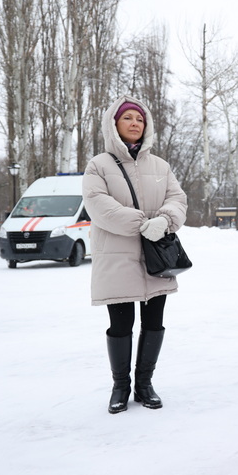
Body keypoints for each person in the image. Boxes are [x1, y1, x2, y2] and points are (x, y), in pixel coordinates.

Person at [82, 96, 187, 414]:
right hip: (116, 258)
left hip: (157, 257)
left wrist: (164, 221)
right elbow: (98, 205)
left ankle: (144, 384)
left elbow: (177, 199)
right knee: (120, 323)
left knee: (154, 321)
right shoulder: (98, 165)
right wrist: (143, 224)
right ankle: (120, 386)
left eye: (140, 119)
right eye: (127, 117)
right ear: (114, 124)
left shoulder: (160, 166)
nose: (135, 123)